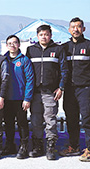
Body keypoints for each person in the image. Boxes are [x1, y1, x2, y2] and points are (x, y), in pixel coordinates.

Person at [59, 17, 90, 162]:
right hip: (69, 90)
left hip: (84, 89)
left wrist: (88, 82)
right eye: (73, 27)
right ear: (69, 29)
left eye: (78, 26)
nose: (75, 29)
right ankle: (74, 146)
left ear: (83, 29)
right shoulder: (64, 47)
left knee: (87, 118)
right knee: (71, 118)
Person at [26, 24, 68, 160]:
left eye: (46, 34)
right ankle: (38, 146)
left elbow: (64, 70)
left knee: (50, 120)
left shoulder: (58, 49)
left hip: (51, 92)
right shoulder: (31, 50)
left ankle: (50, 147)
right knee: (36, 120)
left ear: (51, 35)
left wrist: (61, 87)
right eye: (41, 34)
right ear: (37, 36)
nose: (44, 37)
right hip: (35, 92)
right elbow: (27, 72)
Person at [2, 35, 34, 159]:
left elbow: (30, 80)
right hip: (7, 98)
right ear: (6, 45)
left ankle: (24, 146)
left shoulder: (24, 60)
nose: (12, 45)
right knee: (8, 123)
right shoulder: (3, 59)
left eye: (15, 43)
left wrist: (27, 98)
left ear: (19, 45)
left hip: (20, 98)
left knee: (22, 123)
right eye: (10, 43)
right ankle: (10, 145)